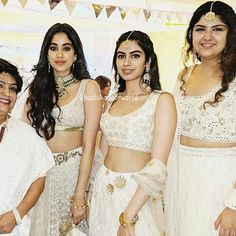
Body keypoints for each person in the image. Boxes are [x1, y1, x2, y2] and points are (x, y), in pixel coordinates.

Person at [89, 30, 177, 236]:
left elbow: (158, 166)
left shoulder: (161, 100)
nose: (126, 62)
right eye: (121, 56)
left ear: (148, 61)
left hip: (137, 195)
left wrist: (128, 216)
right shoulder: (111, 101)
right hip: (103, 190)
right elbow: (101, 154)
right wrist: (90, 191)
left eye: (135, 55)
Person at [18, 23, 102, 235]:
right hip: (42, 174)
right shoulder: (36, 89)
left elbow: (90, 145)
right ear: (46, 53)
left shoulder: (88, 87)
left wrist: (80, 195)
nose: (60, 54)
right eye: (53, 48)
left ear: (76, 54)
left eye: (66, 48)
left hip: (75, 172)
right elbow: (24, 139)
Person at [166, 1, 236, 236]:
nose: (207, 36)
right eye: (200, 29)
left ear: (231, 34)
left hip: (221, 182)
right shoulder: (185, 75)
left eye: (217, 29)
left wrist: (234, 205)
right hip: (181, 177)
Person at [0, 58, 54, 235]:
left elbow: (40, 175)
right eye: (0, 85)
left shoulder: (26, 136)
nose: (6, 93)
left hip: (8, 226)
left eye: (13, 89)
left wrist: (17, 214)